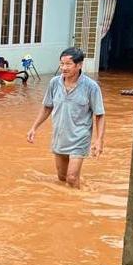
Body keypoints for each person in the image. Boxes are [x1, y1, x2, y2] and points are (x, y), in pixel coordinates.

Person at [27, 47, 105, 189]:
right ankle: (70, 198)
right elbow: (47, 107)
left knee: (71, 177)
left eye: (68, 64)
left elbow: (99, 115)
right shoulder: (54, 83)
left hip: (80, 137)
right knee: (62, 177)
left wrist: (99, 140)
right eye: (61, 64)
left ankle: (78, 205)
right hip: (60, 135)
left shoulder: (91, 87)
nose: (64, 68)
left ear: (79, 65)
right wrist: (34, 128)